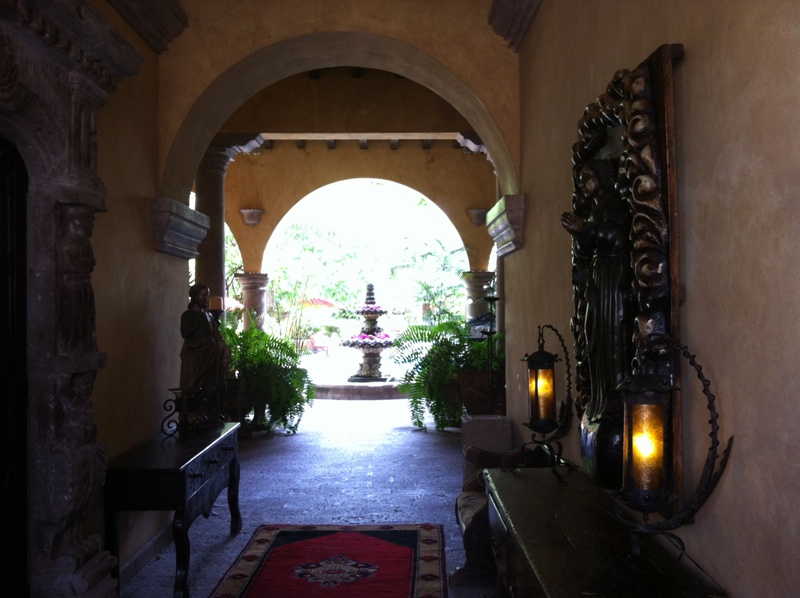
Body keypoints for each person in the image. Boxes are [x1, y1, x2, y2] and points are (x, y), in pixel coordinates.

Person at [561, 160, 635, 420]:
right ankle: (601, 397)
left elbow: (619, 236)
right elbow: (588, 247)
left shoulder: (615, 205)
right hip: (599, 280)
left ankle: (615, 399)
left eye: (587, 177)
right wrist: (581, 234)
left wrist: (585, 229)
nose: (583, 184)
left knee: (612, 336)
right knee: (594, 336)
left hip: (612, 280)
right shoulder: (595, 210)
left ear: (602, 177)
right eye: (580, 179)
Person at [180, 283, 231, 424]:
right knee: (194, 387)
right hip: (195, 359)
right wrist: (199, 320)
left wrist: (224, 346)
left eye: (207, 295)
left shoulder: (208, 315)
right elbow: (185, 333)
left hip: (211, 358)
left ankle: (212, 415)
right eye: (203, 295)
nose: (205, 298)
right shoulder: (188, 315)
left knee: (216, 387)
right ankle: (192, 416)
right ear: (195, 297)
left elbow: (217, 334)